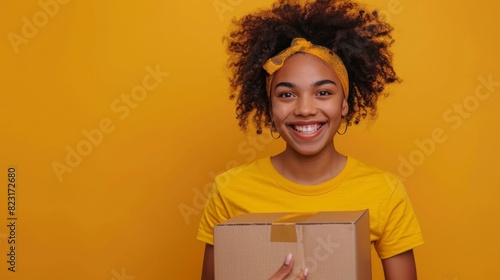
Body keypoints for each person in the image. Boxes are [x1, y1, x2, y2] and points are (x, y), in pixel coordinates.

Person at [197, 0, 424, 279]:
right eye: (287, 94)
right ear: (270, 107)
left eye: (324, 93)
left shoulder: (385, 193)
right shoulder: (229, 190)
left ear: (345, 105)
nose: (304, 109)